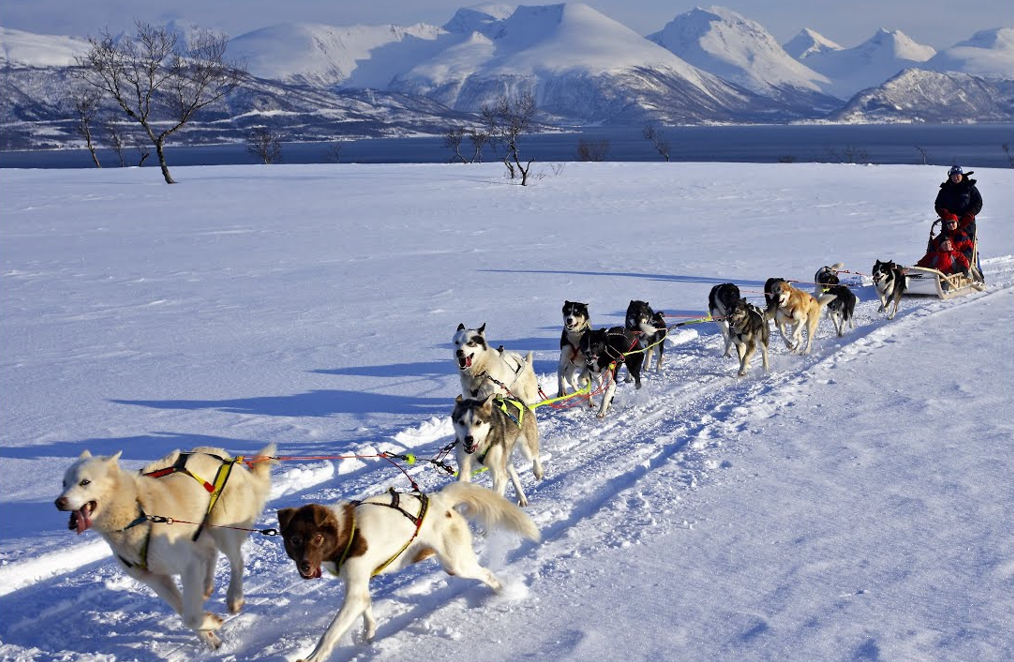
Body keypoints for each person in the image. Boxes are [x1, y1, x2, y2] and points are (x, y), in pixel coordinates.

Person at [934, 165, 982, 235]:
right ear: (950, 177)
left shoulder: (970, 188)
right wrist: (946, 214)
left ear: (961, 175)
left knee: (966, 242)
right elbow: (938, 205)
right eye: (953, 176)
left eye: (958, 175)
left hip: (967, 222)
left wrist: (970, 214)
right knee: (947, 243)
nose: (956, 178)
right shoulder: (945, 190)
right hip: (949, 222)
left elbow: (978, 202)